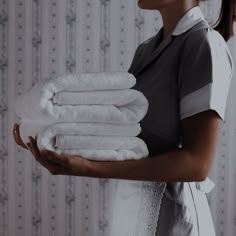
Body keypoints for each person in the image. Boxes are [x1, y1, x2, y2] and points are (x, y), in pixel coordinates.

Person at [13, 0, 235, 235]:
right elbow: (121, 135)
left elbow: (196, 164)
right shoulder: (146, 50)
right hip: (130, 207)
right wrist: (52, 140)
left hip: (173, 219)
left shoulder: (203, 44)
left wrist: (88, 168)